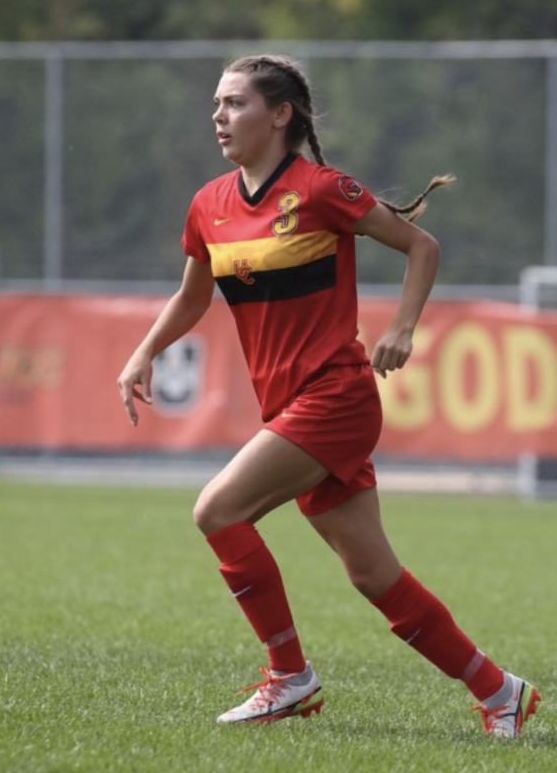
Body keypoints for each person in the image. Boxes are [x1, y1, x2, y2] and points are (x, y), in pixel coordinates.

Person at [116, 54, 541, 738]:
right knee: (374, 576)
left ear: (279, 115)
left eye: (235, 103)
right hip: (288, 405)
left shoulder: (320, 190)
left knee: (217, 510)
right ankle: (500, 692)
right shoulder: (208, 204)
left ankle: (289, 677)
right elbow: (193, 296)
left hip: (336, 397)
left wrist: (402, 328)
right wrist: (144, 351)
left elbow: (422, 247)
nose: (219, 116)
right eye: (217, 104)